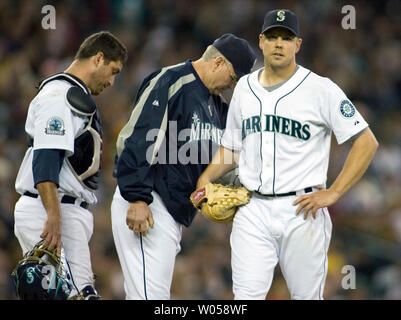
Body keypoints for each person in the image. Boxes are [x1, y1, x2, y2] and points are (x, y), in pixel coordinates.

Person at [195, 9, 379, 300]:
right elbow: (232, 148)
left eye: (286, 37)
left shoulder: (321, 89)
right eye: (272, 37)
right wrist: (205, 178)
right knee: (244, 298)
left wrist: (334, 192)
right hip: (251, 207)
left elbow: (366, 142)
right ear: (261, 41)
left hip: (302, 209)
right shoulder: (244, 87)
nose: (279, 43)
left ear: (298, 44)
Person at [111, 34, 256, 300]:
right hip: (149, 203)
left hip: (173, 214)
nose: (231, 86)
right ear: (218, 63)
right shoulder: (172, 81)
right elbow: (137, 138)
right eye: (233, 78)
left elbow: (223, 159)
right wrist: (136, 197)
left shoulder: (217, 106)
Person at [13, 31, 127, 299]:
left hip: (61, 208)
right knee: (76, 296)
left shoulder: (71, 95)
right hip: (51, 208)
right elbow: (46, 158)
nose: (112, 81)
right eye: (113, 71)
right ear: (98, 58)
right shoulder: (60, 95)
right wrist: (53, 217)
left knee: (76, 294)